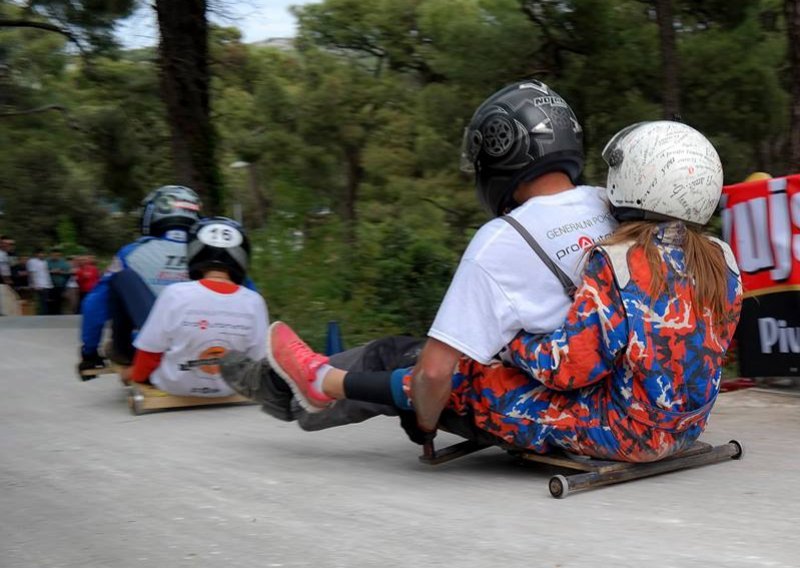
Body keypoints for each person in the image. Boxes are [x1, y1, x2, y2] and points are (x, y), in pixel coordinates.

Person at [268, 120, 743, 462]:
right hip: (684, 426)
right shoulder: (722, 260)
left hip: (625, 433)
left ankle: (323, 382)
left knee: (464, 375)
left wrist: (509, 343)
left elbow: (569, 369)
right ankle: (322, 383)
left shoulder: (619, 259)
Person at [220, 79, 616, 435]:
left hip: (547, 406)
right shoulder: (613, 205)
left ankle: (282, 388)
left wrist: (425, 420)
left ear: (500, 150)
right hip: (621, 396)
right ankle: (276, 379)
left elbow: (433, 372)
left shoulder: (502, 240)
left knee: (393, 355)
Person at [119, 217, 269, 397]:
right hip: (230, 389)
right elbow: (259, 359)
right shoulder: (254, 301)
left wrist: (135, 376)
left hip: (174, 386)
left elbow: (150, 352)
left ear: (195, 250)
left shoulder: (175, 293)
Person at [78, 185, 201, 375]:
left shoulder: (132, 253)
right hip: (207, 345)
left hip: (154, 349)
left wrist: (89, 352)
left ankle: (127, 353)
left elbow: (94, 305)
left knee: (118, 281)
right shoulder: (211, 252)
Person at [26, 249, 53, 315]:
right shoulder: (32, 261)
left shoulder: (44, 262)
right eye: (40, 253)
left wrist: (49, 284)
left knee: (44, 301)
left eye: (43, 253)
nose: (42, 255)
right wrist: (34, 285)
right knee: (38, 302)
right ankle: (37, 315)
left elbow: (46, 273)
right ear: (36, 254)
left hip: (45, 284)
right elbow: (31, 273)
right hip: (37, 285)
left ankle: (44, 315)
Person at [47, 248, 72, 315]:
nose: (55, 256)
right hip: (49, 285)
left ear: (60, 255)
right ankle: (49, 315)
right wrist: (51, 271)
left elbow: (69, 273)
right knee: (50, 302)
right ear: (51, 255)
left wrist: (60, 272)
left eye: (57, 255)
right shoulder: (47, 262)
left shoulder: (64, 263)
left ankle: (58, 315)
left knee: (59, 301)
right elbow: (43, 271)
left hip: (60, 285)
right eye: (53, 255)